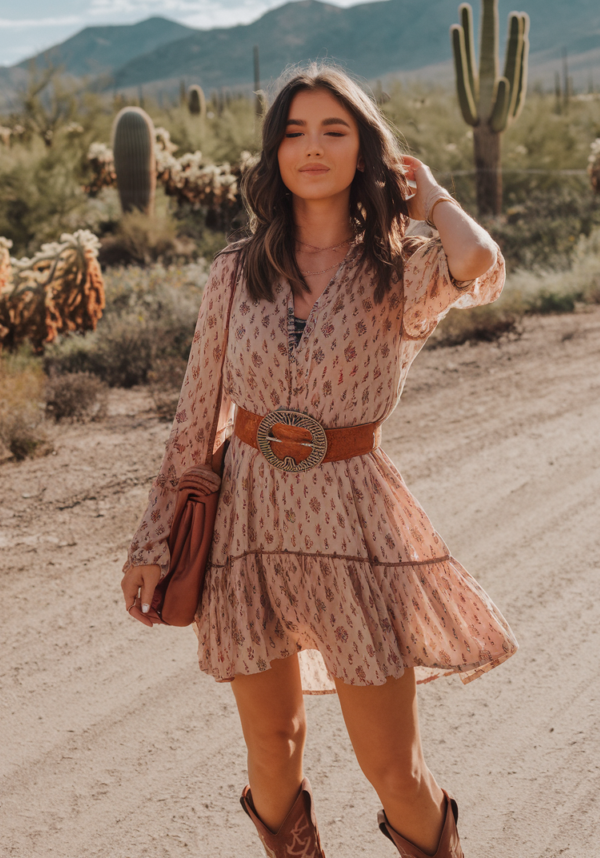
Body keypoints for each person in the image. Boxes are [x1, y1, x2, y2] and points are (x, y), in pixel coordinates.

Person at [121, 65, 517, 858]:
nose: (312, 147)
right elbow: (195, 418)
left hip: (354, 527)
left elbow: (476, 264)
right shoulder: (236, 271)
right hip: (247, 525)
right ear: (274, 154)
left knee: (395, 769)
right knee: (272, 746)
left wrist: (429, 192)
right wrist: (152, 541)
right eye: (295, 131)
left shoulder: (401, 267)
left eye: (334, 131)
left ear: (367, 151)